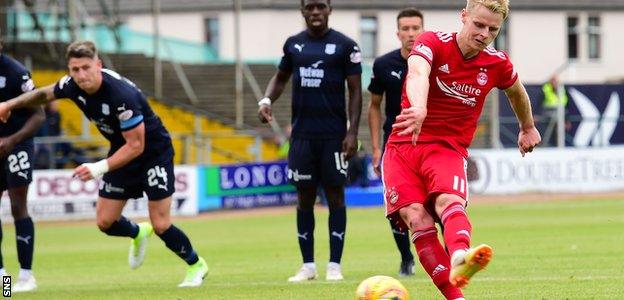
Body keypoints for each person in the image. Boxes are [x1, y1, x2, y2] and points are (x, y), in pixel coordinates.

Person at [0, 41, 208, 287]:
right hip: (122, 152)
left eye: (86, 68)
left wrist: (98, 168)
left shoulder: (121, 96)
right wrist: (9, 104)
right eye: (74, 69)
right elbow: (44, 93)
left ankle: (196, 265)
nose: (80, 75)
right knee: (105, 223)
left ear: (98, 65)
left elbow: (136, 146)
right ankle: (137, 232)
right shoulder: (71, 85)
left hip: (153, 153)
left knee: (161, 224)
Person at [382, 0, 541, 298]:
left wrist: (527, 126)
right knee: (416, 217)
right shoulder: (432, 41)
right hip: (404, 144)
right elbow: (417, 72)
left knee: (448, 200)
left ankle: (459, 256)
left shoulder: (497, 63)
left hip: (447, 148)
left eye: (493, 29)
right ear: (464, 16)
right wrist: (418, 108)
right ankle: (456, 296)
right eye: (478, 25)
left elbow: (517, 93)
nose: (484, 34)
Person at [257, 0, 362, 282]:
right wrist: (267, 100)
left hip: (334, 136)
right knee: (304, 199)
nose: (315, 12)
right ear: (303, 11)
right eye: (310, 7)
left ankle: (334, 265)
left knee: (336, 196)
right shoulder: (293, 44)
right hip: (302, 137)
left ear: (330, 9)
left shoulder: (346, 46)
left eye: (320, 7)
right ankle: (308, 266)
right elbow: (280, 78)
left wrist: (352, 132)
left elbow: (355, 91)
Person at [367, 7, 425, 278]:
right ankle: (406, 259)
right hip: (395, 146)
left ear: (423, 30)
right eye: (406, 28)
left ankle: (450, 255)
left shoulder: (433, 62)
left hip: (428, 142)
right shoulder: (383, 65)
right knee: (398, 206)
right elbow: (374, 106)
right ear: (398, 32)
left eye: (416, 28)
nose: (411, 33)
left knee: (436, 201)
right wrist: (377, 147)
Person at [0, 46, 44, 292]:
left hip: (17, 145)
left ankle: (26, 277)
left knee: (18, 207)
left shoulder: (16, 72)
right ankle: (3, 279)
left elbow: (39, 115)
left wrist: (11, 140)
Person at [540, 74, 568, 146]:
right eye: (553, 81)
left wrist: (567, 120)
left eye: (556, 81)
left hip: (561, 115)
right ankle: (545, 145)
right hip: (547, 115)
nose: (555, 83)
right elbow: (540, 103)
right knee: (547, 132)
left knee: (560, 130)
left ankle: (559, 144)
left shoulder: (562, 90)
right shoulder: (545, 89)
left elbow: (566, 104)